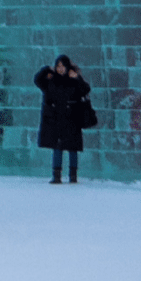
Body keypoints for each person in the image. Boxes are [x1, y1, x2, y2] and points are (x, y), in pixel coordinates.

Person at [35, 55, 93, 184]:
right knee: (57, 147)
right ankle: (57, 176)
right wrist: (46, 70)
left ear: (67, 67)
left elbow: (85, 89)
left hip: (72, 118)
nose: (60, 69)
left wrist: (77, 78)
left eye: (63, 66)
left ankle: (73, 176)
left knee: (73, 148)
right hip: (56, 119)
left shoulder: (74, 79)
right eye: (58, 66)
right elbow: (38, 80)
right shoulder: (51, 79)